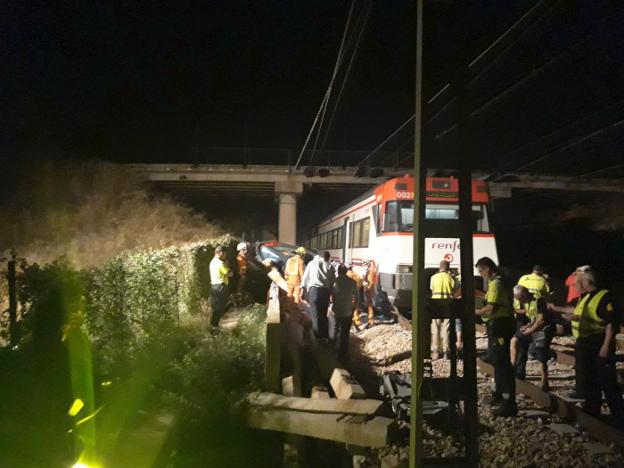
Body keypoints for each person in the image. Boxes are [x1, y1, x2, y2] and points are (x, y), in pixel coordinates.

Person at [551, 270, 624, 427]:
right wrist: (560, 311)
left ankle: (619, 417)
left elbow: (611, 323)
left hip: (599, 343)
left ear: (586, 282)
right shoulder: (584, 297)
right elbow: (579, 313)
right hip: (585, 343)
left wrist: (606, 345)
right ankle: (593, 412)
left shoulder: (604, 296)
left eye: (577, 282)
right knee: (590, 379)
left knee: (607, 380)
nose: (575, 286)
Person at [475, 257, 517, 417]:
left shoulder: (496, 284)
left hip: (500, 326)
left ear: (487, 268)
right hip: (502, 325)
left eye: (481, 271)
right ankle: (500, 395)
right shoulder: (501, 281)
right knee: (497, 360)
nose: (481, 274)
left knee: (502, 363)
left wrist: (474, 312)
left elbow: (491, 308)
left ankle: (508, 402)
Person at [510, 285, 552, 390]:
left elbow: (541, 320)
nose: (518, 300)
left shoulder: (538, 301)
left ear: (523, 294)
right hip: (533, 327)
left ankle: (544, 379)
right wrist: (528, 326)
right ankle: (512, 368)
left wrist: (530, 330)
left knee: (540, 354)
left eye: (518, 298)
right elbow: (533, 317)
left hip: (543, 329)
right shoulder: (526, 302)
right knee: (514, 340)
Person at [301, 251, 335, 339]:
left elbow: (305, 277)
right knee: (323, 314)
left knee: (315, 316)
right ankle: (325, 336)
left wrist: (303, 290)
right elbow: (332, 282)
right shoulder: (330, 266)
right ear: (327, 258)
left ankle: (317, 338)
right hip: (325, 292)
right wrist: (331, 294)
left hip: (314, 291)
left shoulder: (311, 264)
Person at [330, 264, 359, 359]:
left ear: (338, 272)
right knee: (345, 333)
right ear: (346, 271)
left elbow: (332, 296)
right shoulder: (352, 282)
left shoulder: (335, 281)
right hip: (348, 310)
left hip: (336, 310)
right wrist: (354, 308)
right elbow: (357, 297)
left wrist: (334, 304)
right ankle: (343, 353)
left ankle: (332, 347)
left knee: (334, 328)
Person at [429, 260, 456, 360]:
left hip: (436, 304)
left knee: (435, 329)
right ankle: (446, 352)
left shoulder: (433, 277)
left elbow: (432, 289)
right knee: (446, 329)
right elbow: (454, 290)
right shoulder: (451, 278)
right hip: (448, 305)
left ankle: (436, 352)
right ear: (448, 268)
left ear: (439, 267)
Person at [209, 245, 233, 327]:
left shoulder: (212, 262)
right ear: (221, 253)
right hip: (221, 287)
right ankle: (214, 325)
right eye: (225, 254)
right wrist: (228, 267)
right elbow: (229, 274)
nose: (225, 256)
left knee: (217, 306)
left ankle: (214, 324)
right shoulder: (220, 263)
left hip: (214, 286)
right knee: (223, 305)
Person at [345, 263, 365, 331]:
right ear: (351, 267)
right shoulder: (356, 275)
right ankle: (356, 324)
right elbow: (361, 285)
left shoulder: (345, 276)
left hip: (348, 296)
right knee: (355, 310)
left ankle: (351, 325)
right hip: (355, 296)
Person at [363, 259, 378, 328]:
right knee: (369, 305)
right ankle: (370, 320)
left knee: (370, 305)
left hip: (370, 291)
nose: (364, 267)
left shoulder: (371, 272)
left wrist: (367, 288)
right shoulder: (371, 271)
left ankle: (371, 321)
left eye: (365, 265)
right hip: (370, 290)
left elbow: (371, 282)